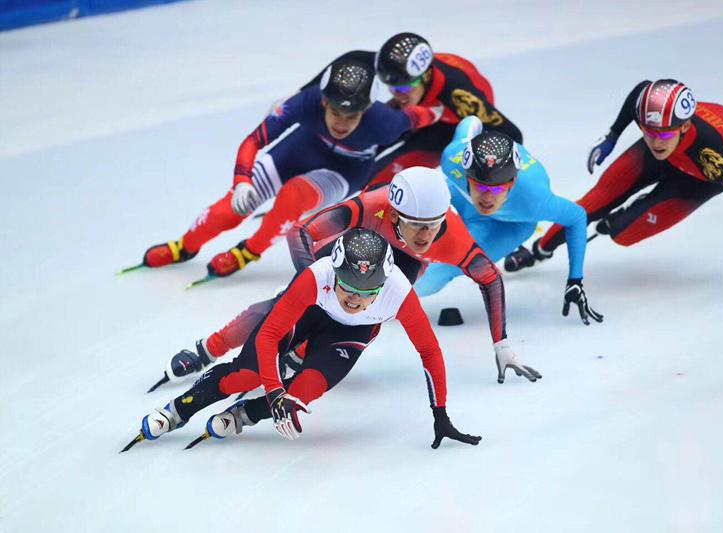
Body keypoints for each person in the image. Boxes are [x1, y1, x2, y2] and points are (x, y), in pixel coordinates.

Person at [160, 167, 542, 387]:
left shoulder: (452, 239)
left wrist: (501, 344)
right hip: (349, 249)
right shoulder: (373, 205)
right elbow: (301, 232)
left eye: (434, 226)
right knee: (284, 308)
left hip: (396, 268)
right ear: (393, 215)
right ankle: (209, 348)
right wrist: (312, 282)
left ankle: (301, 354)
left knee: (370, 313)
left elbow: (490, 279)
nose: (427, 237)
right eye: (415, 226)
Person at [123, 229, 480, 451]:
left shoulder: (399, 292)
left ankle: (246, 414)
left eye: (367, 292)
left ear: (383, 286)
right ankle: (179, 409)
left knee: (305, 391)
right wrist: (273, 387)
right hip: (308, 313)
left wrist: (440, 413)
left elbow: (430, 352)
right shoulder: (317, 274)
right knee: (247, 375)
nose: (355, 299)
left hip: (349, 334)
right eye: (348, 287)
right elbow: (269, 335)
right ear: (334, 274)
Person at [133, 58, 441, 279]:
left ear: (367, 110)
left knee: (294, 197)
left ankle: (248, 251)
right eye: (335, 113)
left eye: (352, 117)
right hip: (298, 151)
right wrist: (242, 180)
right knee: (229, 210)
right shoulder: (303, 103)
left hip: (344, 171)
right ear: (323, 103)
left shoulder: (385, 122)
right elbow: (254, 140)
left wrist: (439, 110)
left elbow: (419, 116)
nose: (342, 124)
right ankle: (184, 246)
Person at [520, 79, 723, 294]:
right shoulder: (656, 124)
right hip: (680, 152)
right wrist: (612, 136)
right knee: (596, 200)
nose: (656, 142)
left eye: (664, 134)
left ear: (685, 126)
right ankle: (538, 250)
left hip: (699, 177)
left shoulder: (716, 162)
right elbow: (642, 90)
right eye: (649, 132)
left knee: (623, 233)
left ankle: (620, 219)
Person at [422, 116, 602, 324]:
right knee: (411, 216)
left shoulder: (535, 199)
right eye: (481, 186)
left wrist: (575, 280)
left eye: (497, 188)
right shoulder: (452, 159)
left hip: (509, 225)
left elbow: (577, 217)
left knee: (430, 278)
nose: (488, 197)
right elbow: (471, 121)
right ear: (466, 176)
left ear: (512, 182)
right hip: (464, 199)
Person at [302, 32, 522, 187]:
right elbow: (353, 58)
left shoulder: (460, 96)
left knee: (386, 171)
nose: (398, 94)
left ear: (424, 76)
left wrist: (498, 181)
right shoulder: (392, 67)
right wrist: (301, 94)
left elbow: (512, 134)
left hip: (451, 123)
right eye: (392, 88)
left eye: (404, 87)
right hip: (425, 107)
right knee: (367, 138)